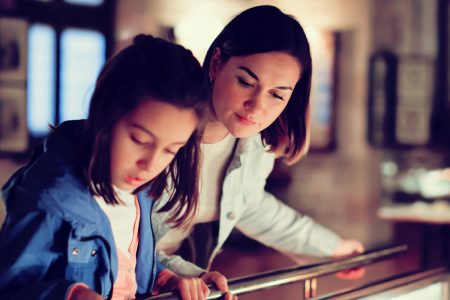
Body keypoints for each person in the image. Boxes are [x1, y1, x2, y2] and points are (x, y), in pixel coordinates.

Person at [0, 34, 230, 300]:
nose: (150, 164)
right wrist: (71, 295)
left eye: (170, 150)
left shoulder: (139, 192)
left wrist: (169, 280)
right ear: (105, 113)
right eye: (139, 140)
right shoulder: (50, 202)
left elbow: (127, 269)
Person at [153, 5, 365, 279]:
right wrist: (187, 276)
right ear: (217, 63)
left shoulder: (254, 146)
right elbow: (122, 232)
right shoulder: (162, 129)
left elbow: (252, 206)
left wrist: (331, 248)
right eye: (245, 81)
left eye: (277, 95)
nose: (256, 107)